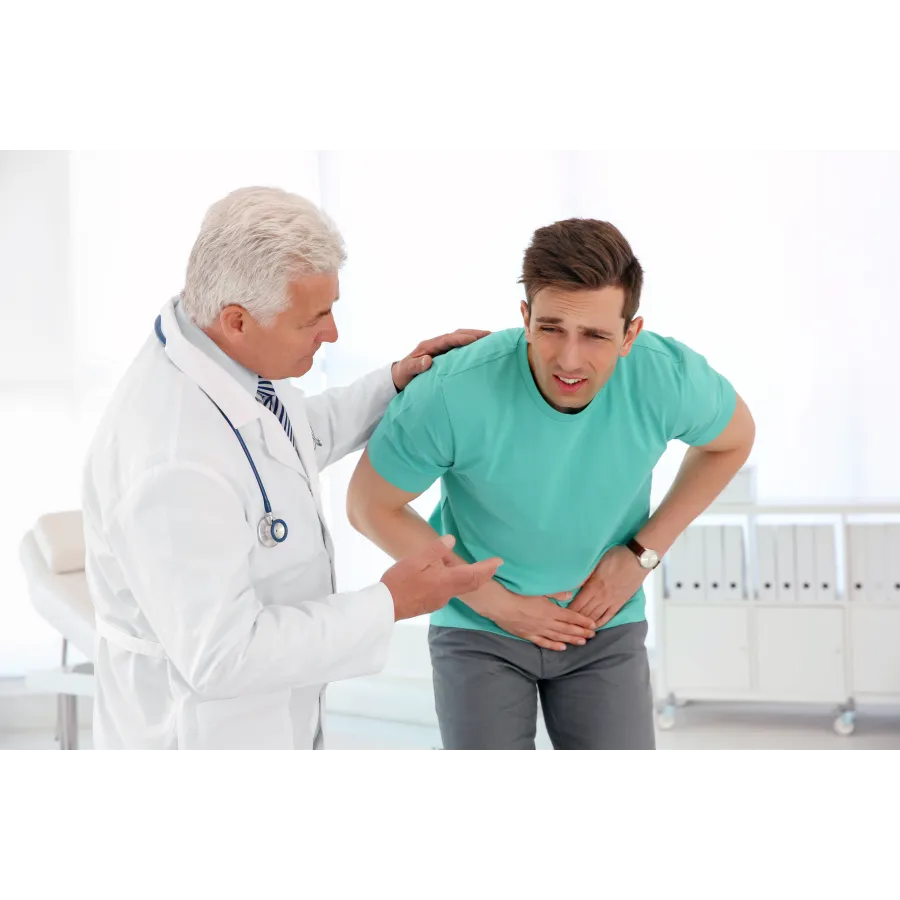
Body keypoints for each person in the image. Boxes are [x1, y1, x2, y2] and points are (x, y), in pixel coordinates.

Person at [82, 186, 500, 751]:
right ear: (237, 320)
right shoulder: (171, 460)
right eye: (314, 319)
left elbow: (286, 436)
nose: (332, 334)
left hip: (272, 715)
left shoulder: (222, 352)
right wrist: (389, 602)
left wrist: (393, 382)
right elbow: (223, 656)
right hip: (205, 737)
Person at [346, 217, 756, 752]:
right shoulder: (452, 392)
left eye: (595, 336)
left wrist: (640, 554)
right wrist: (496, 603)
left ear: (630, 334)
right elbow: (369, 505)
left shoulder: (666, 377)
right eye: (551, 328)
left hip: (601, 621)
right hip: (480, 629)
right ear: (525, 316)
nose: (568, 359)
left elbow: (732, 440)